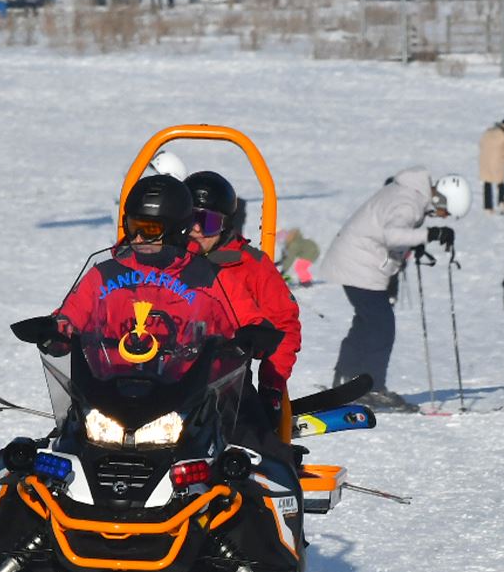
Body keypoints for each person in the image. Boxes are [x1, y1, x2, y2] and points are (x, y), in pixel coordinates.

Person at [320, 169, 470, 411]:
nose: (442, 217)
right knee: (381, 327)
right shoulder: (409, 202)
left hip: (355, 263)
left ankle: (346, 378)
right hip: (359, 265)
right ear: (442, 199)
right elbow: (391, 234)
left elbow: (392, 232)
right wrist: (428, 234)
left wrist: (417, 242)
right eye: (445, 212)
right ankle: (372, 389)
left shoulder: (410, 194)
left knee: (367, 323)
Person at [54, 175, 235, 341]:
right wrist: (57, 331)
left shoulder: (207, 277)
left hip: (187, 374)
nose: (138, 238)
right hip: (113, 373)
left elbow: (243, 317)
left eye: (149, 230)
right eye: (134, 228)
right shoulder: (105, 275)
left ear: (175, 230)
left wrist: (253, 332)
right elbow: (72, 314)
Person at [183, 171, 302, 408]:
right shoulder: (160, 259)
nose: (196, 229)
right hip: (160, 375)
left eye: (208, 223)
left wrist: (272, 383)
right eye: (190, 219)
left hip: (224, 383)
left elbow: (282, 326)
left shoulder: (250, 266)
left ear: (225, 226)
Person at [478, 117, 504, 212]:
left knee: (487, 183)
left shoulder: (488, 132)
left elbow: (481, 143)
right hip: (498, 162)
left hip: (485, 160)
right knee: (501, 182)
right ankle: (501, 202)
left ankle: (488, 206)